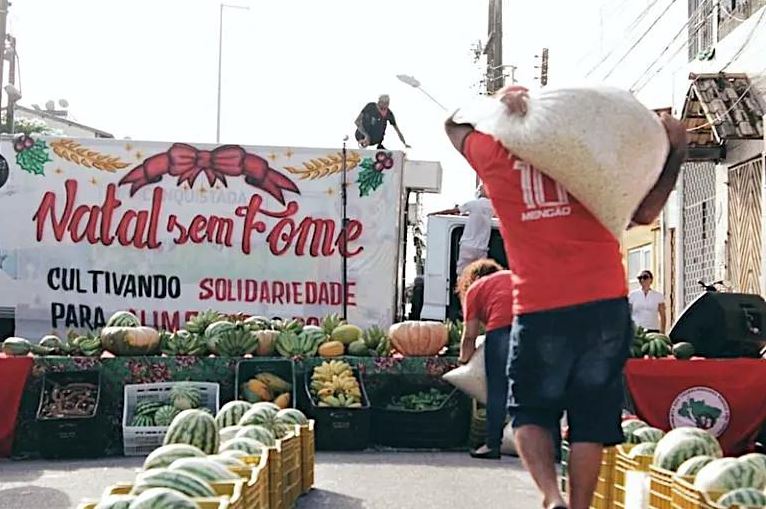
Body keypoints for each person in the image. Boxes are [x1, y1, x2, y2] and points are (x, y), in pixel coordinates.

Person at [444, 85, 687, 509]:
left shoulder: (496, 158)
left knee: (530, 412)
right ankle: (578, 506)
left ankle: (551, 496)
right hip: (605, 303)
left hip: (541, 306)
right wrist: (676, 150)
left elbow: (454, 123)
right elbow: (646, 213)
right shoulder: (596, 166)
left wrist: (502, 102)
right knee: (590, 416)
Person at [456, 258, 513, 460]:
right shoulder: (513, 276)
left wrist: (464, 363)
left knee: (497, 388)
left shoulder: (475, 289)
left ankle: (492, 445)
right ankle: (554, 447)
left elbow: (470, 335)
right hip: (534, 328)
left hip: (502, 331)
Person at [430, 184, 494, 275]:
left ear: (481, 192)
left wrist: (435, 213)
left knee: (462, 273)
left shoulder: (473, 204)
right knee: (481, 273)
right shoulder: (492, 206)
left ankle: (462, 287)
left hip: (468, 246)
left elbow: (454, 210)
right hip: (482, 248)